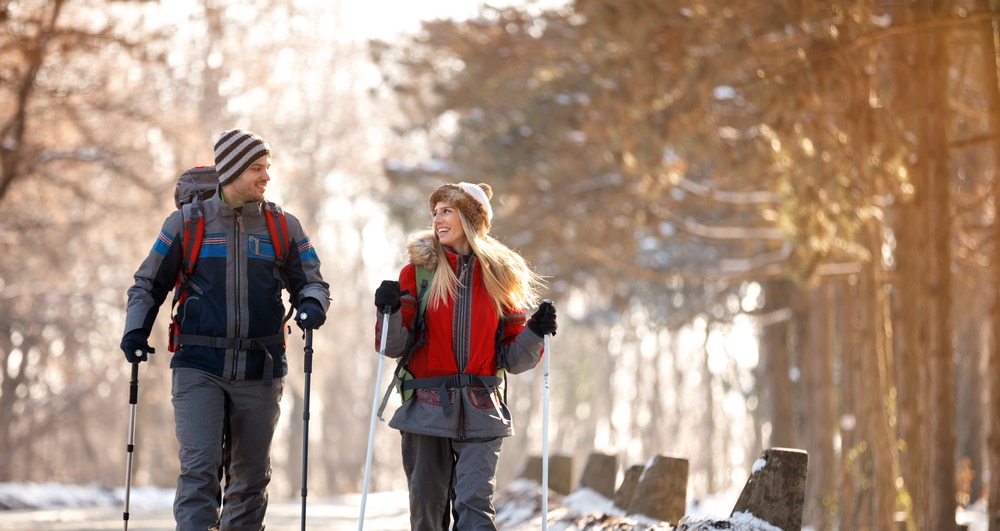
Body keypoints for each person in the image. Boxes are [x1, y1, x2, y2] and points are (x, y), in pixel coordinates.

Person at [120, 129, 330, 530]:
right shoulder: (186, 224)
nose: (266, 176)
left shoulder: (283, 227)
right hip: (198, 366)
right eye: (256, 168)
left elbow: (313, 282)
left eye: (267, 167)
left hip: (261, 369)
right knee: (200, 470)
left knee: (250, 479)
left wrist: (312, 304)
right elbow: (148, 283)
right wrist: (135, 331)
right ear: (231, 171)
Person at [374, 182, 558, 530]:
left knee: (476, 509)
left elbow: (515, 360)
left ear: (470, 219)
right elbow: (392, 346)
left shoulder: (500, 277)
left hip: (482, 410)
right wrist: (389, 311)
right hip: (425, 410)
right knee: (427, 514)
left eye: (447, 211)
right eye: (435, 212)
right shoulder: (418, 273)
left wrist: (535, 330)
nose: (437, 219)